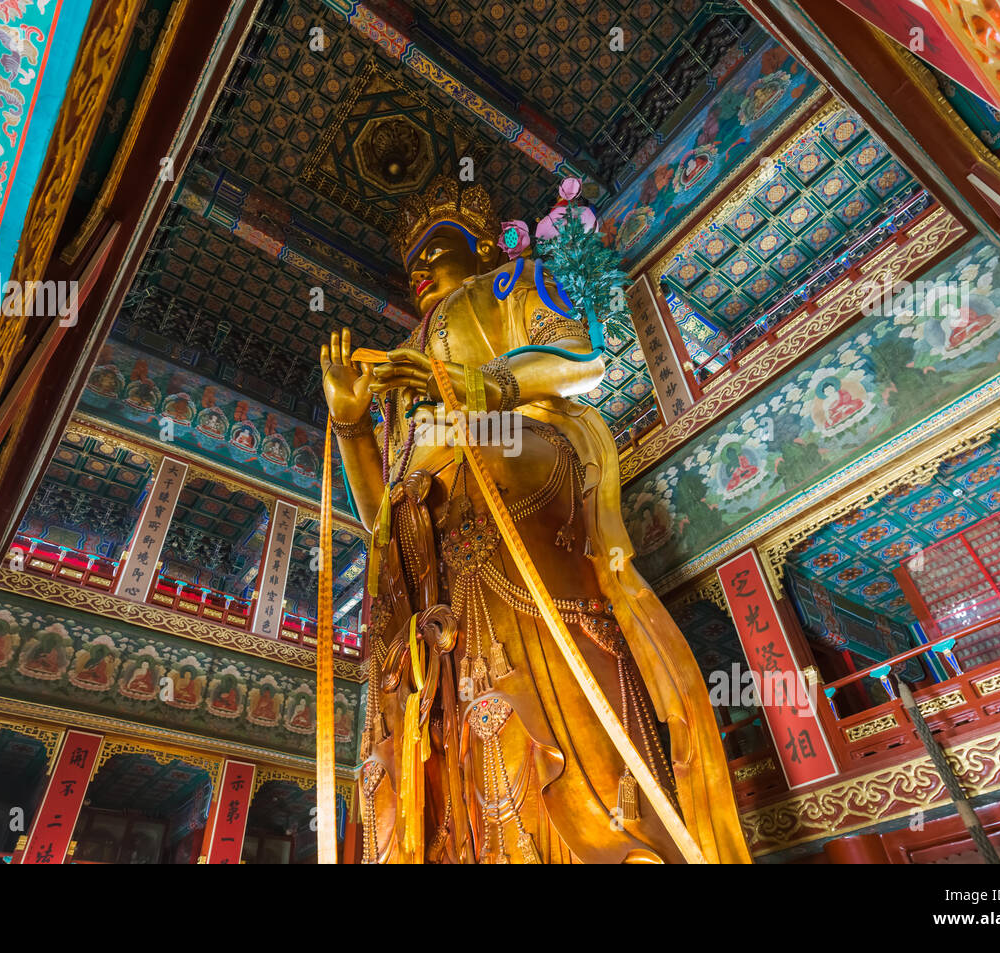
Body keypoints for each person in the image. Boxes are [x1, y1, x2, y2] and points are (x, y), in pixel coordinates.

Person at [320, 175, 750, 864]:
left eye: (437, 250)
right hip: (424, 555)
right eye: (413, 269)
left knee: (533, 680)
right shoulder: (400, 366)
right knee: (436, 728)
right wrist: (350, 427)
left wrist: (478, 387)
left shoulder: (508, 287)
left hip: (509, 485)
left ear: (484, 247)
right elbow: (378, 512)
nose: (422, 273)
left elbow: (582, 361)